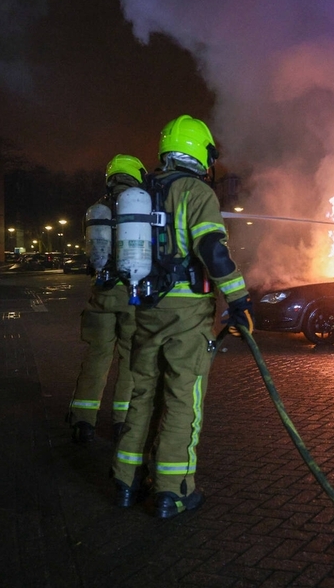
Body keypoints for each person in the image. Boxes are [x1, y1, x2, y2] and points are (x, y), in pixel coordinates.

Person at [112, 115, 254, 518]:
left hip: (146, 310)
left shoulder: (142, 192)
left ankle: (126, 482)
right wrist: (239, 299)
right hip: (186, 315)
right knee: (181, 400)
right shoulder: (197, 192)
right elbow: (211, 248)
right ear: (199, 151)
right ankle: (173, 491)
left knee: (142, 395)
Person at [67, 154, 147, 444]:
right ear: (137, 175)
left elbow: (91, 251)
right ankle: (121, 421)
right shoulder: (141, 207)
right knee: (130, 360)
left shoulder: (97, 209)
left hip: (101, 292)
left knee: (96, 358)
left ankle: (83, 421)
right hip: (132, 294)